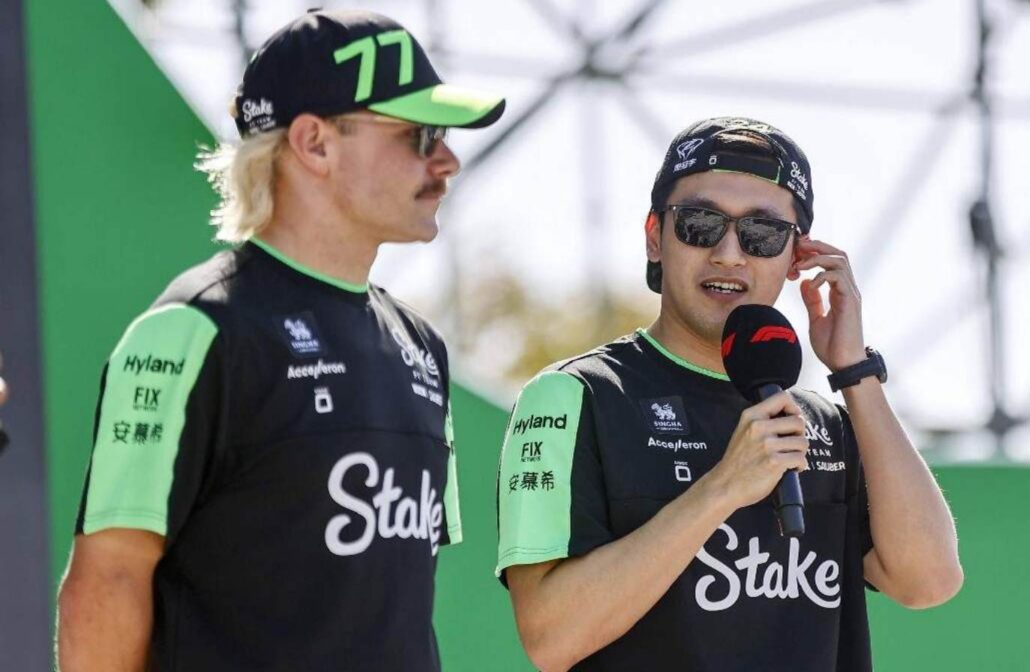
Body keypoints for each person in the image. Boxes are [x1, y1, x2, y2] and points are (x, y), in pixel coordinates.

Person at [56, 10, 504, 671]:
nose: (447, 161)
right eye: (419, 134)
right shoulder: (192, 330)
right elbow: (107, 580)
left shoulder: (422, 349)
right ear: (314, 143)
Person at [496, 117, 962, 671]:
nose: (729, 253)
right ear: (655, 237)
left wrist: (855, 371)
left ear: (797, 258)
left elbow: (928, 581)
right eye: (700, 223)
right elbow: (551, 637)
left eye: (762, 234)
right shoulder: (574, 397)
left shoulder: (826, 424)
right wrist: (722, 489)